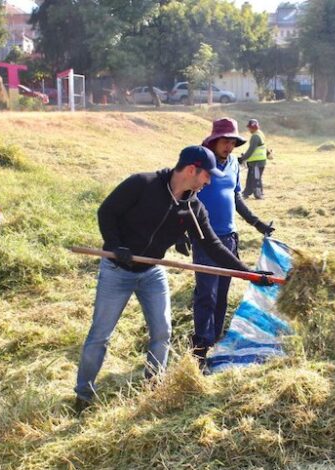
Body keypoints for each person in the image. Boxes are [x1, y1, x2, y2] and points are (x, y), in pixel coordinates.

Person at [74, 145, 271, 413]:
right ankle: (83, 395)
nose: (209, 181)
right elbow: (107, 212)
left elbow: (213, 245)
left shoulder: (193, 207)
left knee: (162, 332)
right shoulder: (142, 184)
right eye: (207, 175)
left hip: (152, 271)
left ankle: (153, 387)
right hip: (116, 271)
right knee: (100, 334)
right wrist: (115, 244)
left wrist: (248, 273)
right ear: (191, 170)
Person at [186, 118, 276, 368]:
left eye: (232, 142)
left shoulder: (235, 163)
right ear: (214, 141)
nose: (229, 146)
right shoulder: (201, 164)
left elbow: (236, 197)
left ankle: (214, 339)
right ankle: (200, 348)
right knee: (207, 294)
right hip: (205, 239)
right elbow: (184, 197)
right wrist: (182, 231)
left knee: (222, 294)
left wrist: (257, 223)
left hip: (229, 237)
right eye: (224, 141)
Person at [239, 119, 269, 199]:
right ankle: (246, 193)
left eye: (249, 127)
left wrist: (242, 158)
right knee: (250, 178)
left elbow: (251, 150)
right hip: (255, 161)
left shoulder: (255, 136)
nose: (249, 129)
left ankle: (259, 194)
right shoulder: (260, 134)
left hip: (257, 162)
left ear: (252, 127)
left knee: (256, 179)